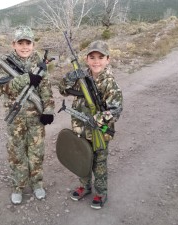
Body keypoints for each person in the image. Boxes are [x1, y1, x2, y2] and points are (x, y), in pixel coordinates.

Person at [58, 40, 123, 209]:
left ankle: (101, 193)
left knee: (99, 163)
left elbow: (116, 109)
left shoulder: (110, 83)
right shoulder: (81, 76)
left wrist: (98, 119)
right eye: (92, 57)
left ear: (107, 59)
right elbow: (62, 90)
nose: (96, 61)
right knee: (81, 157)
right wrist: (68, 78)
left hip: (99, 131)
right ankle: (85, 186)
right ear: (86, 59)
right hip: (80, 128)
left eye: (100, 57)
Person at [0, 26, 55, 205]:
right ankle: (18, 187)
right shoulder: (4, 63)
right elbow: (3, 87)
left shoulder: (40, 63)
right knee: (17, 154)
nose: (24, 47)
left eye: (27, 43)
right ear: (13, 44)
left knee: (36, 153)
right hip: (15, 119)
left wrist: (48, 110)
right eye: (20, 43)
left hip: (36, 119)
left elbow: (46, 90)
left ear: (33, 44)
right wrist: (27, 78)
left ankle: (37, 184)